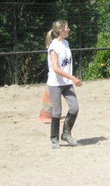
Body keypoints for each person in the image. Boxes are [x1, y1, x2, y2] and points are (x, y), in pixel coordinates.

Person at [45, 20, 82, 149]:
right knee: (57, 112)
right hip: (55, 84)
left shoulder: (66, 43)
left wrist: (70, 79)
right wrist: (73, 78)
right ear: (61, 30)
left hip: (67, 83)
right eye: (67, 27)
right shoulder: (53, 47)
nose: (69, 29)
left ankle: (66, 133)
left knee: (74, 108)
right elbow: (56, 68)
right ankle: (54, 139)